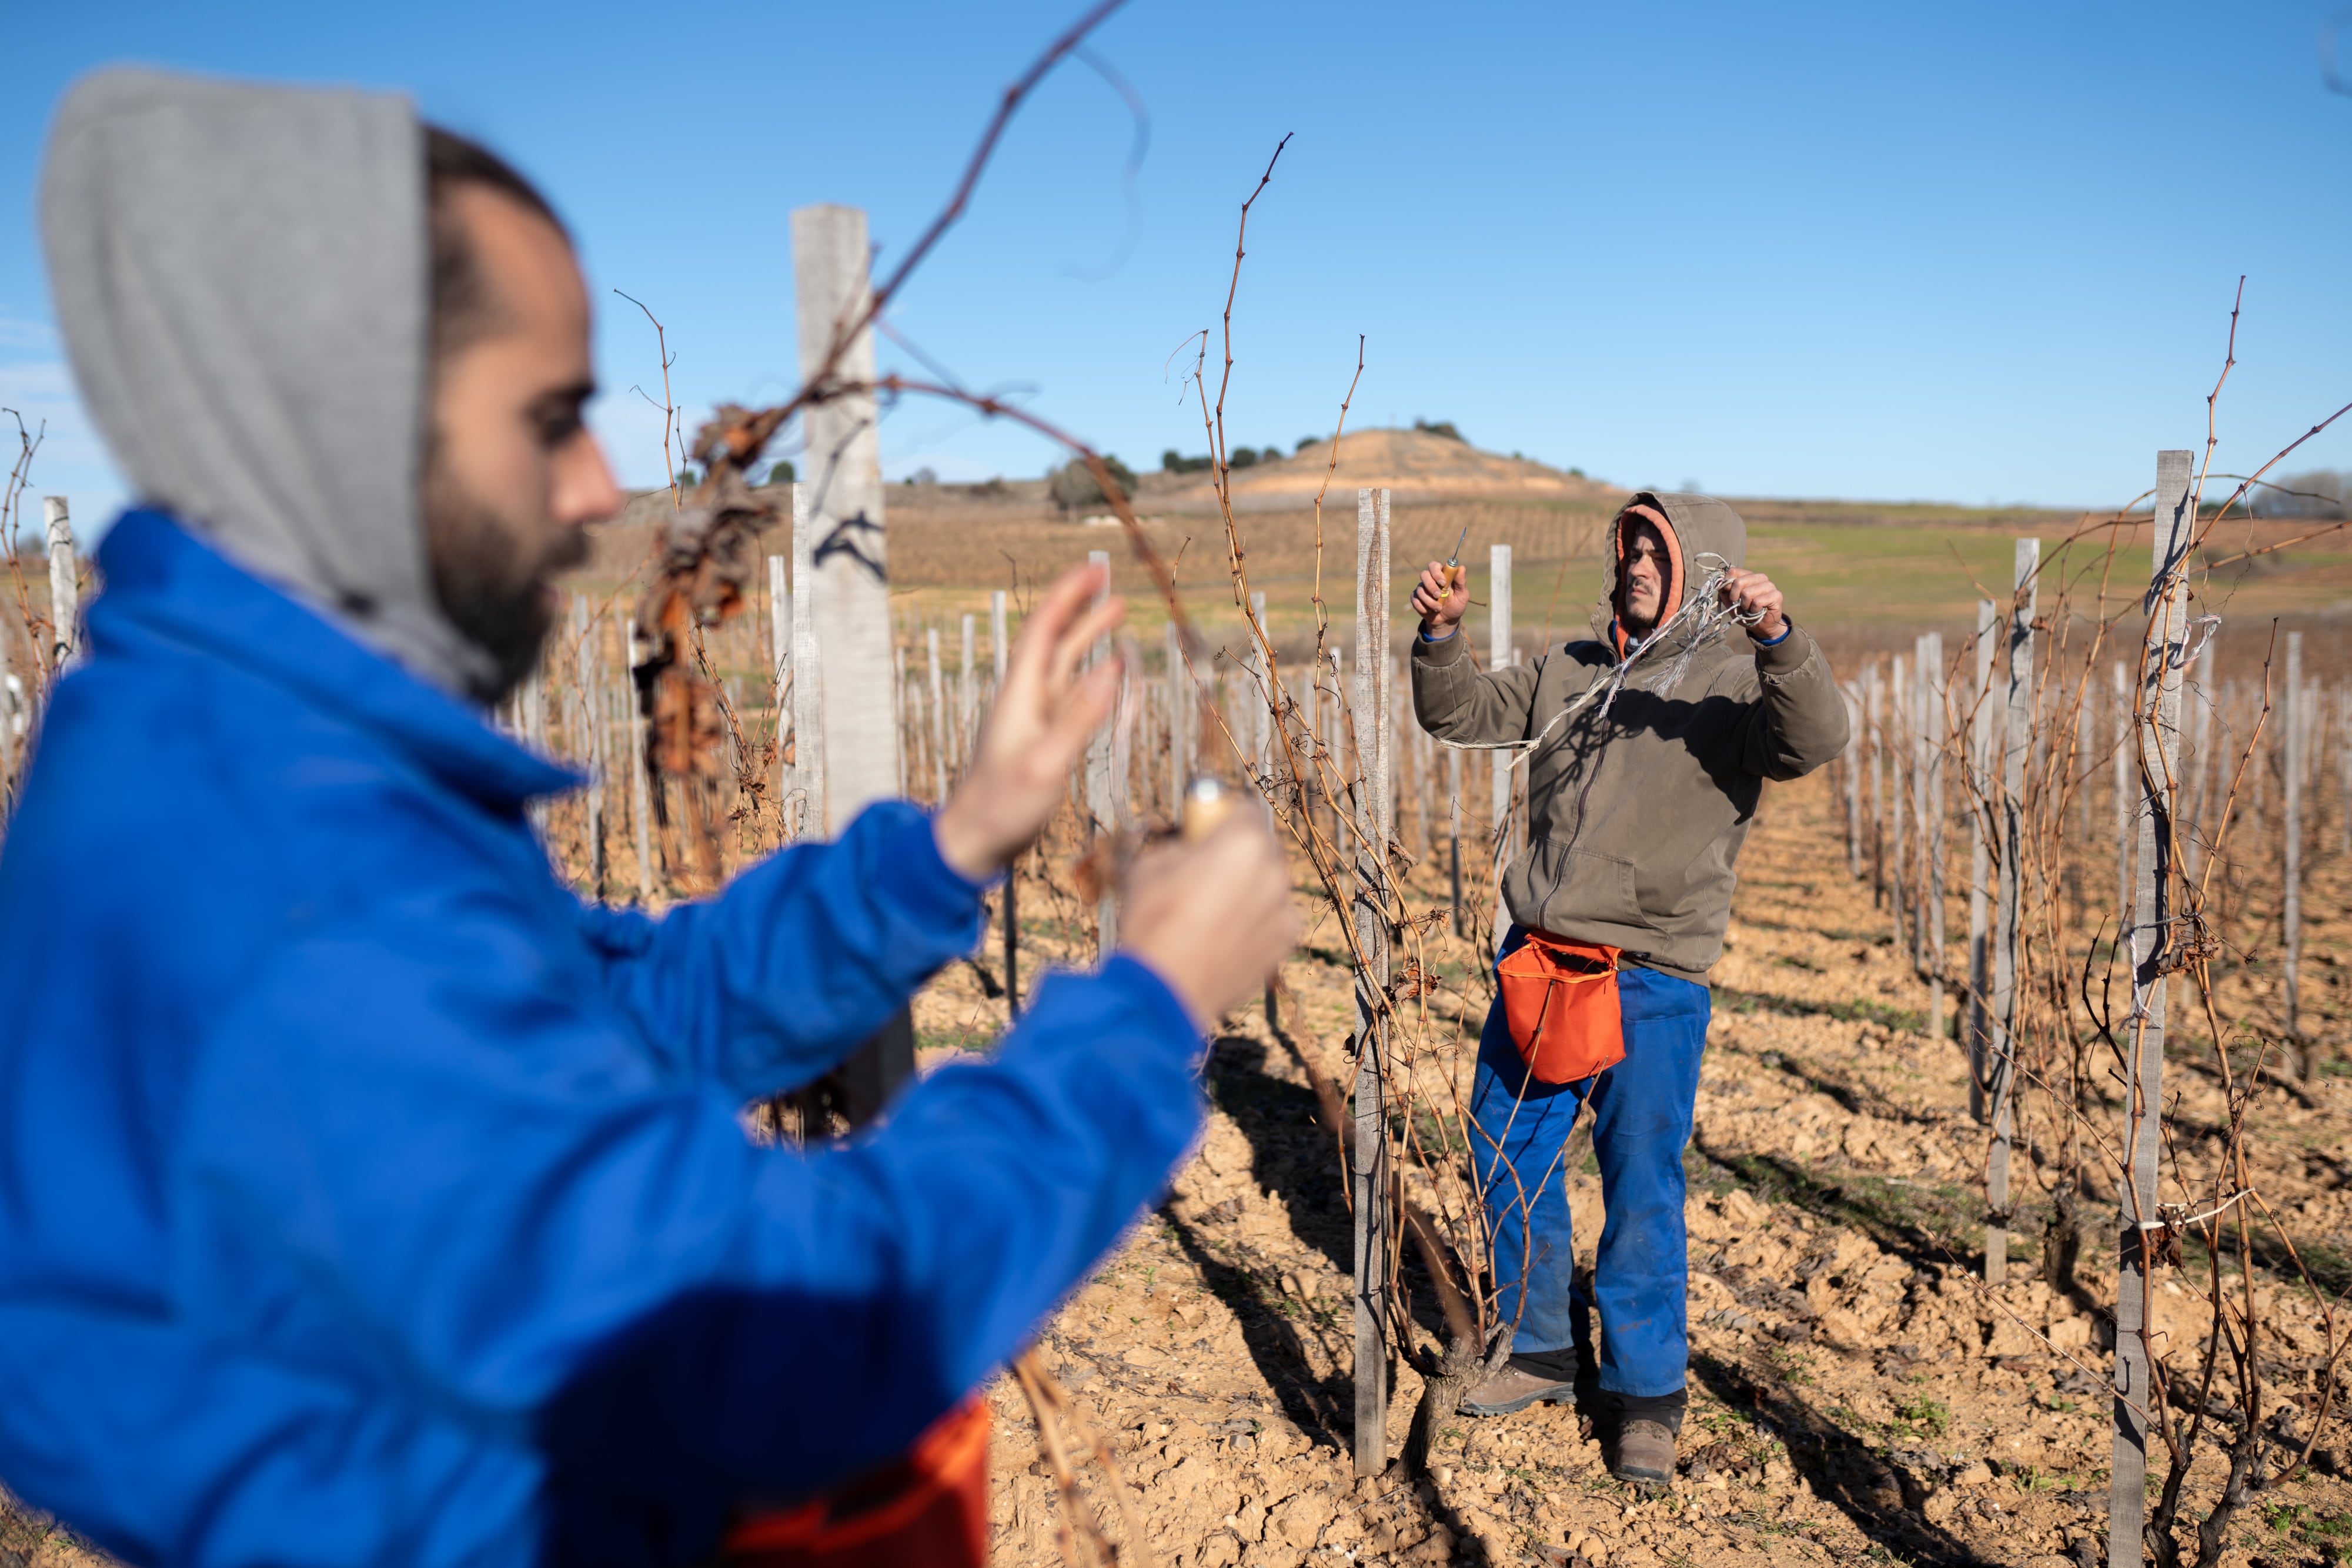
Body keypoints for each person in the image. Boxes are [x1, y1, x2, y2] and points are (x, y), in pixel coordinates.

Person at [0, 69, 1297, 1567]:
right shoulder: (288, 888)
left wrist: (957, 838)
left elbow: (605, 1013)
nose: (602, 486)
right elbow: (783, 1329)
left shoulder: (247, 765)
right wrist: (1141, 1011)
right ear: (343, 425)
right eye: (550, 417)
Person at [1408, 494, 1847, 1485]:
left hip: (1651, 978)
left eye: (1660, 550)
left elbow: (1816, 740)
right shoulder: (1571, 668)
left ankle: (1647, 1397)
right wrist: (1440, 636)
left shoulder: (1739, 687)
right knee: (1504, 1150)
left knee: (1641, 1188)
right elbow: (1462, 715)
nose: (1639, 563)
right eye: (1631, 545)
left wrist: (1778, 637)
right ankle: (1540, 1349)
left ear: (1700, 565)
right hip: (1542, 961)